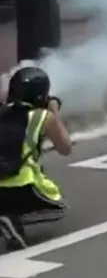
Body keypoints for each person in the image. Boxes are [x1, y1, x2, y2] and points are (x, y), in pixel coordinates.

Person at [0, 67, 73, 250]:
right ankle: (6, 216)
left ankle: (7, 217)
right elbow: (65, 148)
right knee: (57, 206)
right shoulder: (42, 117)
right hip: (19, 186)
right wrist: (54, 111)